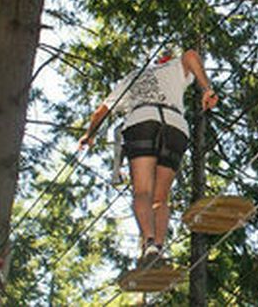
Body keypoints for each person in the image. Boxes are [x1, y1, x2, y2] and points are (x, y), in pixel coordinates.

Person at [79, 49, 218, 268]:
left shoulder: (131, 78)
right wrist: (207, 89)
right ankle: (159, 249)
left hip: (142, 121)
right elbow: (191, 54)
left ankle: (150, 244)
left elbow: (101, 112)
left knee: (143, 191)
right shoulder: (173, 67)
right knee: (160, 198)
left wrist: (90, 135)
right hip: (175, 125)